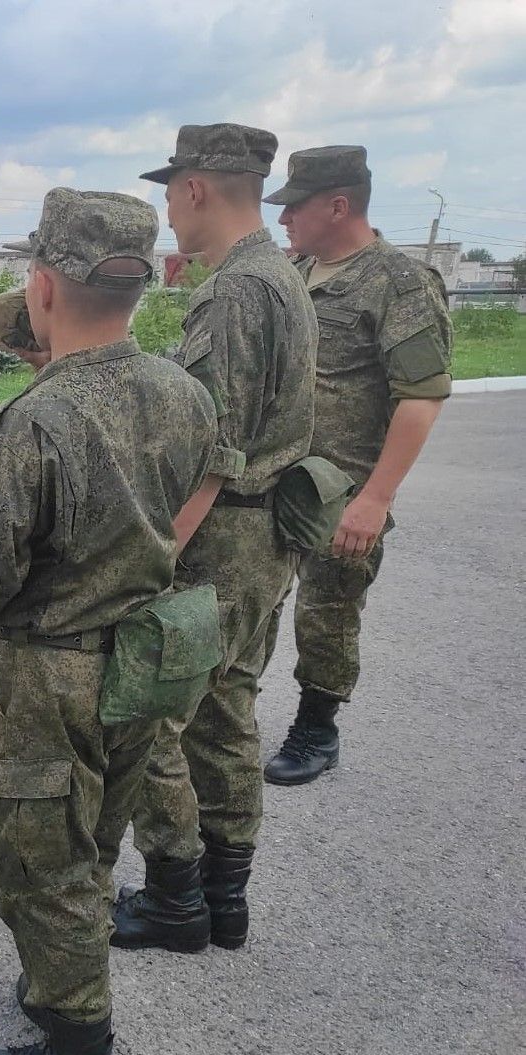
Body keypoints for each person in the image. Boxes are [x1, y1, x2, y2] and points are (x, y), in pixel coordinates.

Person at [0, 188, 217, 1055]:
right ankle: (64, 983)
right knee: (94, 837)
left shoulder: (39, 420)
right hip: (143, 655)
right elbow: (190, 506)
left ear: (46, 285)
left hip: (50, 668)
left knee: (42, 856)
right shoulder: (184, 391)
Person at [112, 123, 318, 952]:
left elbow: (212, 446)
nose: (168, 208)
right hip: (265, 535)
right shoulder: (283, 276)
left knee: (156, 714)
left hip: (218, 539)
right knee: (226, 712)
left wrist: (155, 550)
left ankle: (174, 897)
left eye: (170, 191)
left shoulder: (234, 291)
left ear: (196, 188)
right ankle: (224, 899)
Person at [261, 145, 452, 785]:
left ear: (338, 205)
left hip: (341, 489)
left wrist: (376, 497)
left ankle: (316, 727)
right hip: (272, 479)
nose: (284, 220)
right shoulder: (298, 270)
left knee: (327, 612)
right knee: (253, 600)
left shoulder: (397, 283)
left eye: (296, 208)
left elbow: (421, 395)